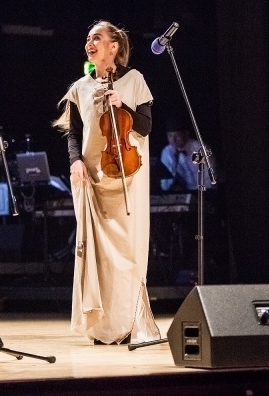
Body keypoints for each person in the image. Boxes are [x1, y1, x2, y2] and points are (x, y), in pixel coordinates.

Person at [54, 20, 161, 345]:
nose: (90, 42)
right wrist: (75, 161)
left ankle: (129, 321)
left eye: (97, 38)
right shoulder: (79, 87)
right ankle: (102, 326)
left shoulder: (133, 80)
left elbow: (143, 127)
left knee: (127, 250)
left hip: (128, 176)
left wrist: (121, 104)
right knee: (97, 255)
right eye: (88, 38)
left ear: (113, 46)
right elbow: (74, 133)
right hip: (93, 177)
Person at [159, 117, 214, 192]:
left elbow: (208, 178)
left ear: (186, 134)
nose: (173, 140)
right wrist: (174, 161)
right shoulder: (166, 152)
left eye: (177, 135)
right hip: (184, 192)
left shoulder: (199, 149)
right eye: (170, 136)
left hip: (204, 191)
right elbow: (165, 185)